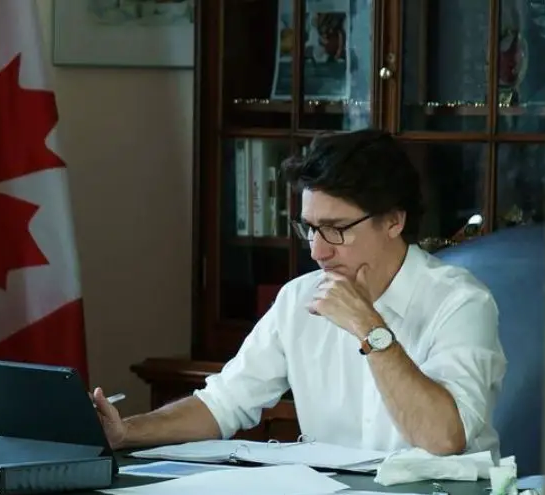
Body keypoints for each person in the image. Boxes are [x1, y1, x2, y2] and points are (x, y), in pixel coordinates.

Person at [94, 129, 506, 457]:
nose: (317, 250)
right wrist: (126, 431)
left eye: (336, 229)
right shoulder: (298, 298)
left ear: (394, 221)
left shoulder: (461, 302)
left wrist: (369, 327)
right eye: (310, 227)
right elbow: (223, 404)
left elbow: (443, 439)